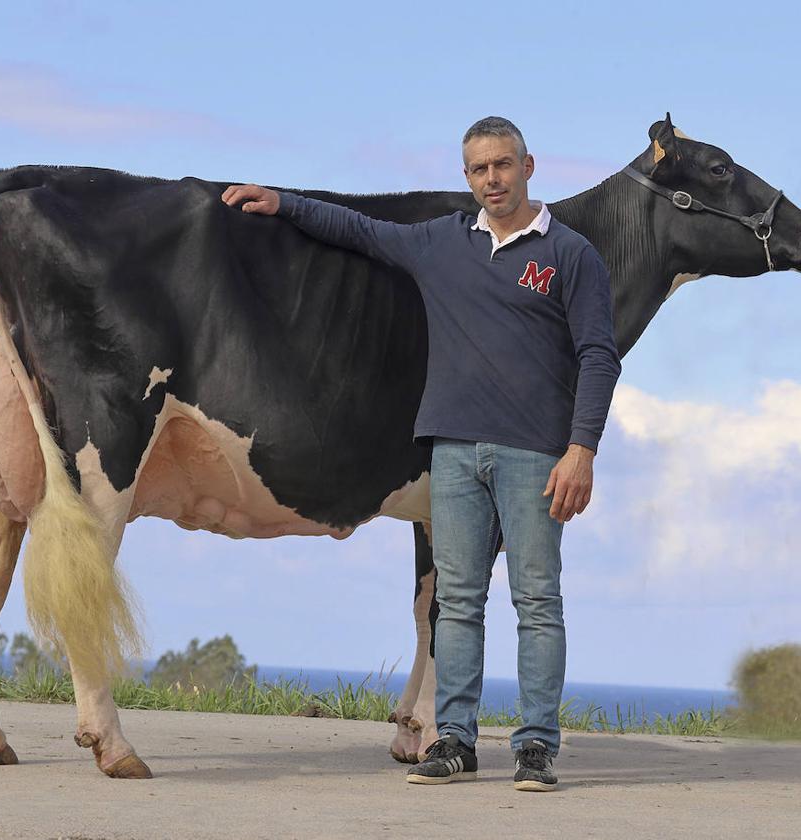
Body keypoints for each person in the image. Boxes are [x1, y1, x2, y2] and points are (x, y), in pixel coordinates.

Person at [223, 116, 621, 792]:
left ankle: (535, 749)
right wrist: (282, 202)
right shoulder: (441, 242)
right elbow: (358, 230)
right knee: (458, 601)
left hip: (534, 456)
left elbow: (598, 355)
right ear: (466, 177)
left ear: (529, 165)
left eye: (502, 165)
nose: (491, 179)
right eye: (478, 169)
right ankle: (455, 742)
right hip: (454, 452)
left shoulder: (569, 254)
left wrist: (580, 450)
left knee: (537, 602)